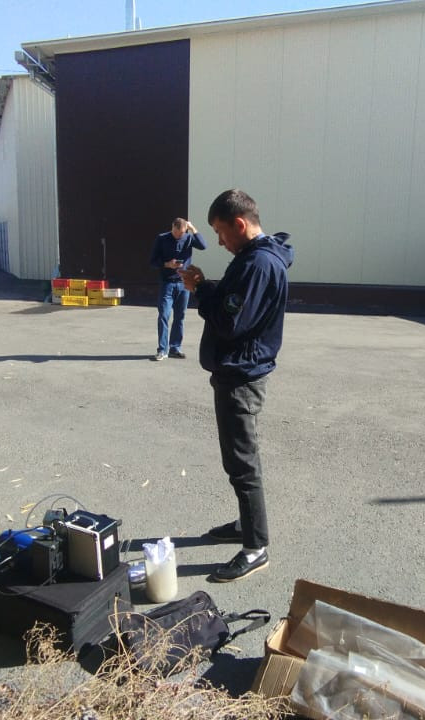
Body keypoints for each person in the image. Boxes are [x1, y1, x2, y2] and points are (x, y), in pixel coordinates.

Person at [178, 189, 294, 582]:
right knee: (238, 460)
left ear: (240, 224)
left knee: (242, 463)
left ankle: (255, 547)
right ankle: (247, 525)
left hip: (241, 376)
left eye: (220, 232)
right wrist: (206, 286)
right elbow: (235, 305)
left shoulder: (257, 264)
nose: (219, 241)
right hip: (240, 371)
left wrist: (200, 290)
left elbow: (230, 322)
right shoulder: (253, 259)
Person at [149, 217, 206, 361]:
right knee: (164, 315)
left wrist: (193, 229)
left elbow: (203, 246)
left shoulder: (188, 238)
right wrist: (167, 264)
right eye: (177, 232)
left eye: (182, 233)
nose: (179, 236)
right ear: (172, 227)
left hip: (183, 283)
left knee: (180, 316)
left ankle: (175, 348)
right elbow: (153, 262)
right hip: (167, 283)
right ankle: (162, 350)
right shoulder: (162, 239)